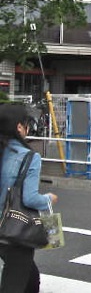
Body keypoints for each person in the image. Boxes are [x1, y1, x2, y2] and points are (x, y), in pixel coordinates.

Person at [0, 102, 58, 293]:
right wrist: (48, 198)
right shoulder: (29, 157)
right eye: (27, 124)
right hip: (13, 230)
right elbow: (30, 199)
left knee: (30, 277)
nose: (28, 129)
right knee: (14, 283)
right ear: (19, 127)